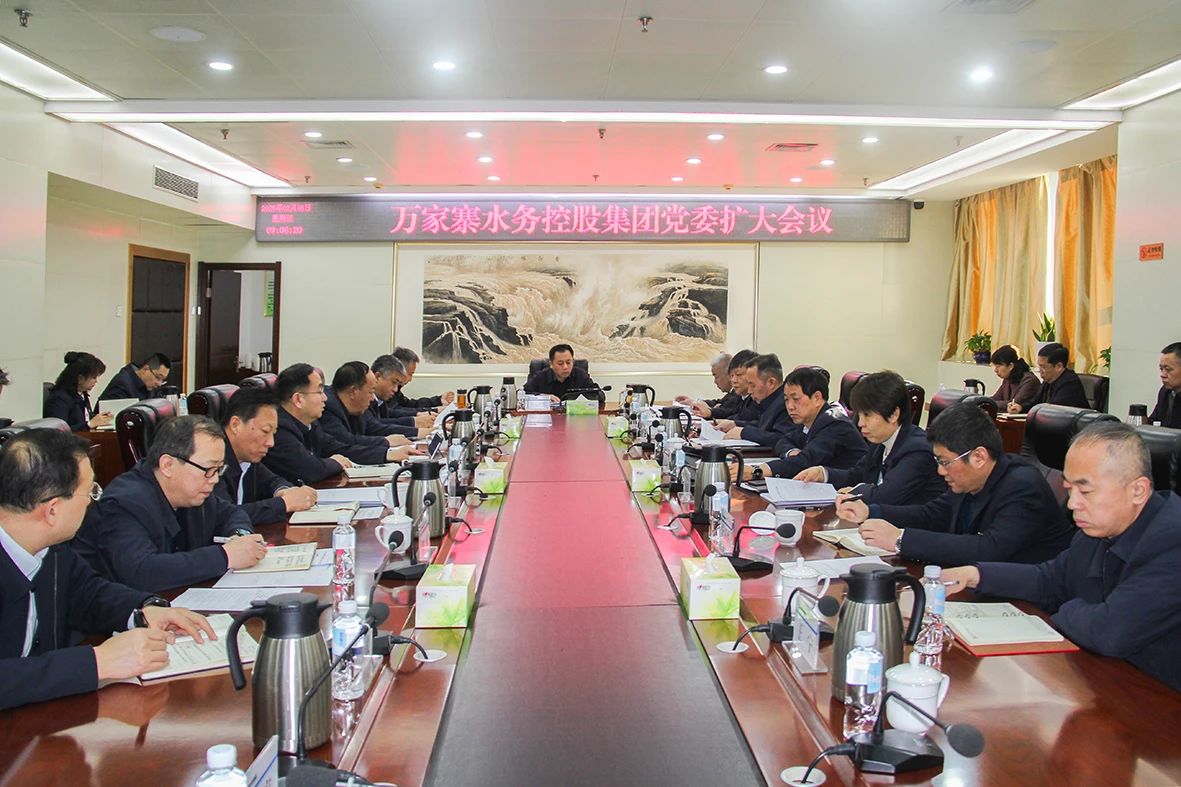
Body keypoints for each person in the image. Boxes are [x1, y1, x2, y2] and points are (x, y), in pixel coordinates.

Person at [942, 422, 1181, 692]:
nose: (1072, 503)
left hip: (1161, 699)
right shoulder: (1098, 529)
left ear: (1138, 490)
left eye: (1085, 491)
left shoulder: (1173, 542)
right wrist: (975, 574)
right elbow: (1049, 580)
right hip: (1108, 680)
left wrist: (1065, 609)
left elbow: (1108, 632)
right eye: (1069, 489)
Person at [0, 429, 215, 710]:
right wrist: (97, 662)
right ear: (52, 510)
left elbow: (89, 594)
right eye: (90, 491)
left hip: (41, 715)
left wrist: (143, 611)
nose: (93, 501)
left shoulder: (52, 548)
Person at [836, 403, 1072, 566]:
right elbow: (933, 514)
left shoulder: (1022, 486)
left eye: (945, 462)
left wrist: (900, 539)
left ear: (978, 457)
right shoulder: (968, 481)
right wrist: (871, 511)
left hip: (1027, 605)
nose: (940, 471)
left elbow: (988, 549)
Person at [74, 416, 266, 592]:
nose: (215, 479)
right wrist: (225, 556)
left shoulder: (193, 491)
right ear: (167, 465)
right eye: (209, 469)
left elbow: (231, 513)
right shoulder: (124, 503)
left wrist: (240, 536)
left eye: (219, 469)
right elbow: (142, 571)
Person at [795, 371, 945, 506]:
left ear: (894, 414)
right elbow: (856, 474)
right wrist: (823, 473)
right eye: (859, 415)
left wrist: (856, 490)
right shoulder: (881, 440)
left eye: (867, 415)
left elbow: (886, 496)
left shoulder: (917, 450)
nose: (860, 423)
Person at [737, 365, 866, 480]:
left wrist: (757, 471)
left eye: (796, 399)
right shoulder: (807, 420)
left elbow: (805, 462)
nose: (790, 406)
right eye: (786, 400)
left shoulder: (835, 424)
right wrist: (791, 451)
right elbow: (782, 440)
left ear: (817, 398)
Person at [215, 388, 317, 525]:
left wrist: (285, 491)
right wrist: (284, 504)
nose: (271, 443)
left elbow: (272, 481)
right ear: (236, 425)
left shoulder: (248, 458)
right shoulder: (211, 461)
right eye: (265, 431)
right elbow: (224, 515)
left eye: (273, 434)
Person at [321, 361, 425, 463]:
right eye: (370, 392)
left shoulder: (356, 408)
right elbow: (347, 442)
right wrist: (386, 447)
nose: (372, 399)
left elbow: (371, 427)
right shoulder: (328, 407)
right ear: (353, 391)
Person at [717, 354, 794, 447]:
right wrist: (735, 424)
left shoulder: (786, 404)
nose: (749, 391)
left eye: (752, 385)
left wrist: (744, 432)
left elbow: (784, 439)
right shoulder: (769, 400)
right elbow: (763, 425)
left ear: (771, 383)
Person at [43, 352, 114, 431]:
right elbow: (59, 431)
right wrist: (89, 424)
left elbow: (83, 418)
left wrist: (99, 418)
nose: (96, 381)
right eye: (93, 377)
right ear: (80, 378)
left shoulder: (81, 394)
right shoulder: (59, 400)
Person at [369, 354, 434, 436]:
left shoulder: (379, 400)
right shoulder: (363, 399)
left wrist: (417, 416)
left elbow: (390, 413)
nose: (395, 389)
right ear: (378, 377)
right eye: (393, 382)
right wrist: (414, 425)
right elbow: (373, 426)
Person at [695, 350, 759, 421]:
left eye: (738, 375)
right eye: (732, 376)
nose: (733, 380)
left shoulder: (759, 400)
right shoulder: (743, 397)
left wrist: (711, 413)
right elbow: (733, 414)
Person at [524, 343, 598, 401]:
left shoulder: (580, 375)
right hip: (548, 415)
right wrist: (545, 397)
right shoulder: (541, 377)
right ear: (551, 364)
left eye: (568, 362)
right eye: (560, 363)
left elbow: (599, 394)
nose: (565, 367)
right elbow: (524, 394)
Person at [390, 347, 456, 411]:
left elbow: (410, 405)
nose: (410, 379)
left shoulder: (396, 390)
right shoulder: (387, 390)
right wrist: (433, 410)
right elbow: (396, 411)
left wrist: (438, 400)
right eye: (410, 374)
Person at [1032, 343, 1090, 409]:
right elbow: (1034, 403)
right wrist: (1022, 407)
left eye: (1043, 367)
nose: (1040, 371)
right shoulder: (1048, 381)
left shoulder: (1070, 384)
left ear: (1059, 366)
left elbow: (1054, 410)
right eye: (1039, 366)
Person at [97, 353, 171, 402]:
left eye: (163, 380)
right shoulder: (123, 382)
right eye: (158, 377)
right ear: (145, 369)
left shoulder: (151, 386)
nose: (159, 383)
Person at [989, 345, 1041, 413]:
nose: (995, 370)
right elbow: (995, 398)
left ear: (1011, 366)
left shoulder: (1029, 380)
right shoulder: (1008, 379)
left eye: (998, 366)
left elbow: (1014, 404)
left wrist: (990, 403)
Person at [1148, 341, 1181, 428]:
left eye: (1168, 369)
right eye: (1161, 369)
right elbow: (1154, 421)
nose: (1162, 375)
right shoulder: (1165, 391)